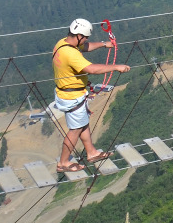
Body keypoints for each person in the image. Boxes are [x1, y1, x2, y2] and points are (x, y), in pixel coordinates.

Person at [53, 18, 129, 173]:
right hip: (72, 97)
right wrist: (116, 67)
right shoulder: (71, 54)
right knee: (75, 130)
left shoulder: (62, 43)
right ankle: (63, 163)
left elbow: (84, 47)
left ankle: (91, 152)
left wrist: (104, 44)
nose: (86, 40)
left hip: (69, 94)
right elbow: (92, 69)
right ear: (79, 35)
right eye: (85, 37)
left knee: (82, 124)